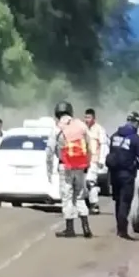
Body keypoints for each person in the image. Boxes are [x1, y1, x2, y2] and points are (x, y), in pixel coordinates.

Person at [46, 101, 92, 238]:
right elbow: (89, 147)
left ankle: (70, 229)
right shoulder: (81, 125)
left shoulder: (57, 129)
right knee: (79, 196)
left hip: (65, 166)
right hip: (80, 167)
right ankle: (86, 227)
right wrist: (87, 165)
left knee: (67, 197)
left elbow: (49, 151)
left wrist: (48, 171)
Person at [105, 110, 139, 239]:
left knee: (118, 201)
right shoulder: (136, 139)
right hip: (127, 175)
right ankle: (123, 231)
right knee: (125, 202)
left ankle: (119, 228)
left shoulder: (115, 135)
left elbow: (112, 153)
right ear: (135, 123)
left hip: (114, 173)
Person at [84, 107, 109, 214]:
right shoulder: (83, 129)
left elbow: (104, 145)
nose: (86, 119)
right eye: (85, 117)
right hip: (83, 161)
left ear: (94, 118)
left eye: (88, 117)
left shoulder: (99, 129)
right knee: (83, 183)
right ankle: (86, 203)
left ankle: (94, 204)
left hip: (94, 160)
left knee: (90, 181)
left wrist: (102, 160)